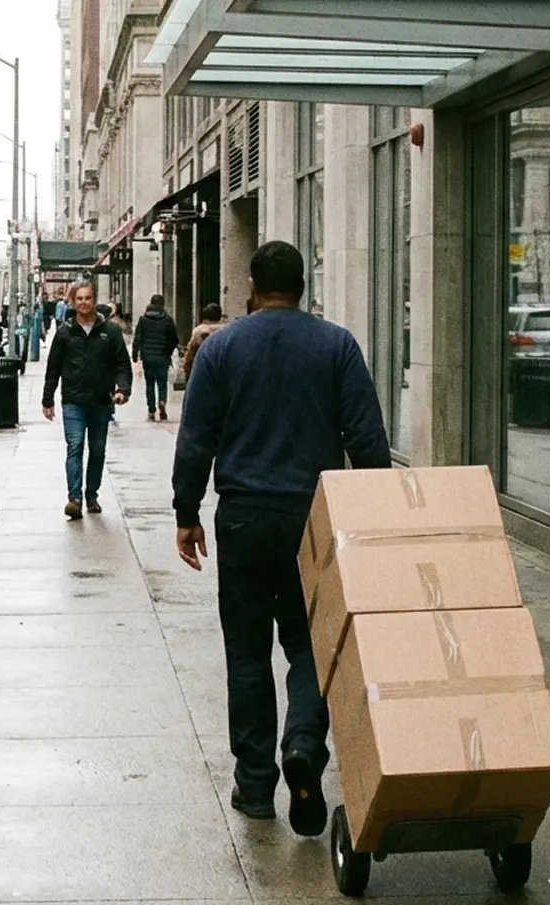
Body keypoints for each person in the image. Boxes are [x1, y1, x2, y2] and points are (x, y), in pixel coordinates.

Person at [171, 241, 390, 836]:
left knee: (246, 650)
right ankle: (302, 748)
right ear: (301, 285)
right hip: (311, 518)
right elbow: (367, 438)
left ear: (252, 285)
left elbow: (196, 438)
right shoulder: (336, 345)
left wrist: (186, 512)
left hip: (242, 517)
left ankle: (255, 785)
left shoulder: (222, 349)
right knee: (312, 646)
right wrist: (377, 509)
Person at [41, 281, 131, 520]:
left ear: (94, 300)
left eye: (87, 298)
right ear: (73, 302)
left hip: (101, 401)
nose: (83, 303)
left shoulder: (109, 331)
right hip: (73, 400)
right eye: (79, 299)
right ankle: (75, 498)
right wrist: (47, 398)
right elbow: (54, 367)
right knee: (76, 446)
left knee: (98, 450)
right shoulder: (65, 331)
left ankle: (92, 494)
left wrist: (123, 389)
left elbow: (122, 362)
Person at [131, 293, 179, 421]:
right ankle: (162, 402)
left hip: (148, 357)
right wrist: (168, 352)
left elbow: (137, 339)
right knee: (162, 382)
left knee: (150, 383)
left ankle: (151, 410)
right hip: (162, 357)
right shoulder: (168, 320)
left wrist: (135, 355)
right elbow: (174, 339)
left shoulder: (143, 320)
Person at [182, 303, 225, 384]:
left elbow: (190, 355)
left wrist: (187, 373)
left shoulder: (198, 332)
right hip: (222, 373)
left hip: (202, 372)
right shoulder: (227, 330)